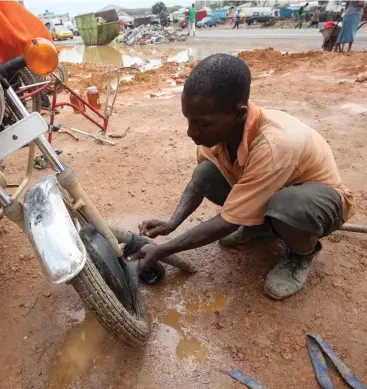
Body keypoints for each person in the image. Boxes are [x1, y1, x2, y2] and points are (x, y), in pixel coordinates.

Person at [130, 54, 354, 300]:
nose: (191, 132)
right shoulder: (216, 134)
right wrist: (172, 223)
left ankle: (301, 255)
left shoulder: (275, 144)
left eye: (202, 124)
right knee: (206, 172)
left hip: (317, 202)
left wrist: (162, 250)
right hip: (270, 191)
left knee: (289, 206)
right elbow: (200, 183)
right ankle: (259, 226)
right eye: (189, 120)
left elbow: (227, 221)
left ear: (239, 114)